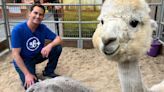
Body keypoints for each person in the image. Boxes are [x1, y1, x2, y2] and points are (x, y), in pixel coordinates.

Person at [11, 4, 62, 89]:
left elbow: (58, 39)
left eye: (40, 14)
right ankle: (28, 72)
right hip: (24, 60)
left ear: (43, 17)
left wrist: (49, 45)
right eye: (35, 13)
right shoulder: (18, 30)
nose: (38, 16)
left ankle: (48, 71)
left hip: (36, 55)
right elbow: (15, 54)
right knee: (32, 86)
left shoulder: (42, 28)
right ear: (29, 13)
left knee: (57, 48)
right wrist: (27, 74)